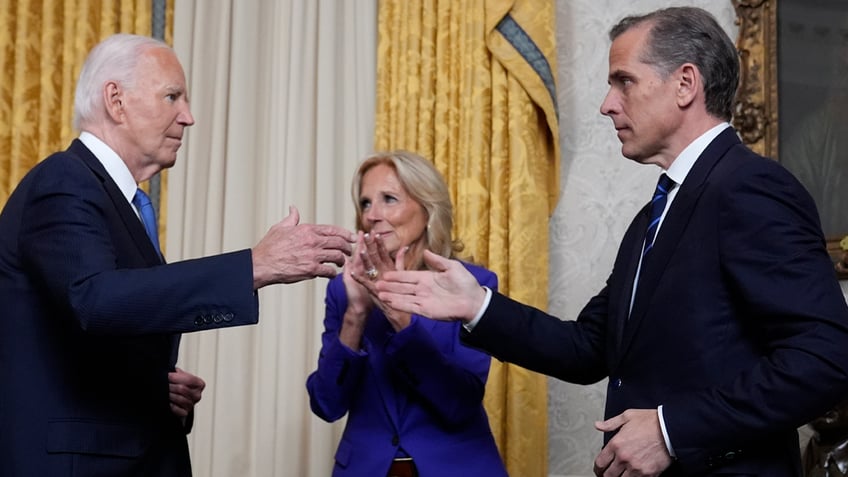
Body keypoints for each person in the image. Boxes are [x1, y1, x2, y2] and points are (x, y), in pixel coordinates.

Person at [374, 7, 848, 477]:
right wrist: (476, 305)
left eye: (624, 81)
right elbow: (587, 348)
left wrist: (669, 431)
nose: (607, 104)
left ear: (685, 84)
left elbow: (825, 359)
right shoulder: (654, 215)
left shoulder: (751, 187)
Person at [0, 34, 353, 477]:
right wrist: (254, 266)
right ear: (116, 100)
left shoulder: (116, 199)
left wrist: (157, 388)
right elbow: (94, 300)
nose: (187, 117)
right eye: (172, 96)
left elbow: (103, 328)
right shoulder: (64, 181)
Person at [306, 151, 508, 477]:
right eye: (366, 203)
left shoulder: (471, 285)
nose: (372, 214)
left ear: (427, 210)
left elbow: (460, 403)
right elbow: (327, 404)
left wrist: (400, 318)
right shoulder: (343, 291)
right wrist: (356, 313)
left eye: (389, 199)